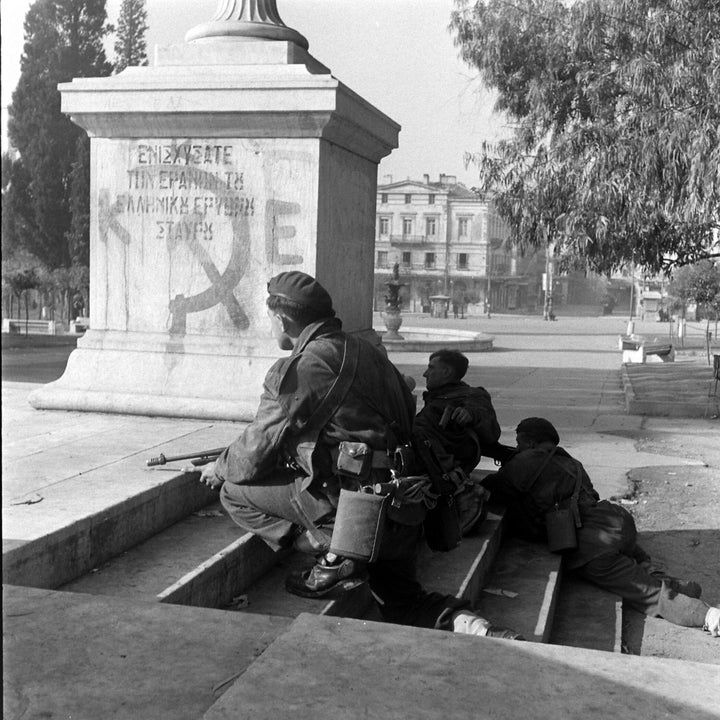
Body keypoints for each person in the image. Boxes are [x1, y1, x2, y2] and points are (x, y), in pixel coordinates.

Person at [198, 271, 521, 639]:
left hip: (356, 512)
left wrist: (220, 467)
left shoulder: (300, 368)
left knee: (233, 492)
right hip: (403, 507)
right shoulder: (368, 351)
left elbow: (253, 453)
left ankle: (334, 552)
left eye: (270, 319)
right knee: (404, 602)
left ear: (283, 319)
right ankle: (478, 628)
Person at [480, 417, 720, 637]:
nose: (518, 447)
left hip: (593, 544)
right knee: (633, 561)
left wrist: (507, 464)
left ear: (530, 442)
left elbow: (495, 487)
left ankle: (707, 615)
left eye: (519, 442)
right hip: (616, 520)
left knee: (647, 593)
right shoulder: (573, 462)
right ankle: (673, 582)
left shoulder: (526, 460)